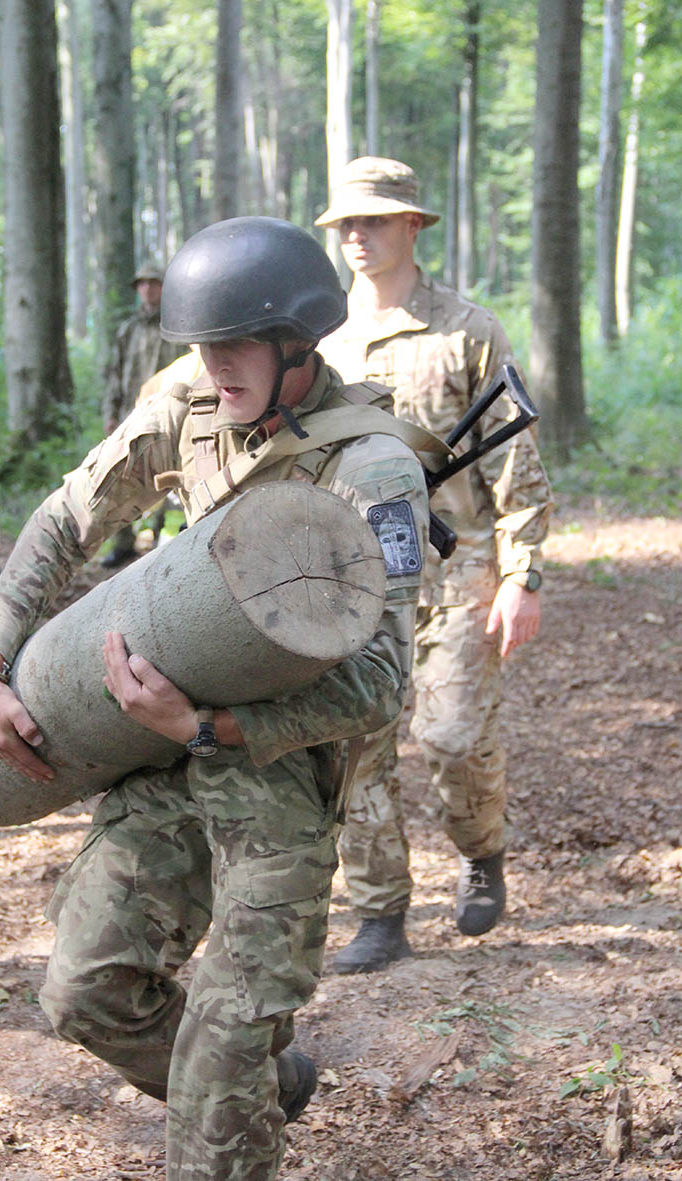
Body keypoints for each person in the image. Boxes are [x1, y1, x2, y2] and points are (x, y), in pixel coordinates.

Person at [0, 217, 433, 1180]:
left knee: (219, 1053)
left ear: (298, 344)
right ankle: (273, 1079)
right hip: (164, 760)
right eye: (202, 345)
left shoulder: (372, 468)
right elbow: (65, 516)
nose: (214, 365)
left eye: (235, 344)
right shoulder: (193, 403)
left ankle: (236, 1086)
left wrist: (212, 723)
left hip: (280, 775)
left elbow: (384, 681)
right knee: (85, 992)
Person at [315, 157, 553, 972]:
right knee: (357, 748)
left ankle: (481, 848)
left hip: (458, 569)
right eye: (346, 222)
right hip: (354, 579)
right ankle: (380, 912)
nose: (357, 235)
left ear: (412, 226)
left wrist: (523, 574)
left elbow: (515, 460)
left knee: (451, 737)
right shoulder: (319, 342)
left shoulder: (466, 329)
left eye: (374, 220)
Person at [100, 260, 185, 568]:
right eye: (143, 284)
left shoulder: (176, 326)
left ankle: (165, 536)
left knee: (170, 474)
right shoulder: (128, 330)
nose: (148, 289)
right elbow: (114, 374)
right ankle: (122, 543)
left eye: (155, 283)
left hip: (168, 412)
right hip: (130, 414)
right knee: (121, 476)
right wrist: (111, 412)